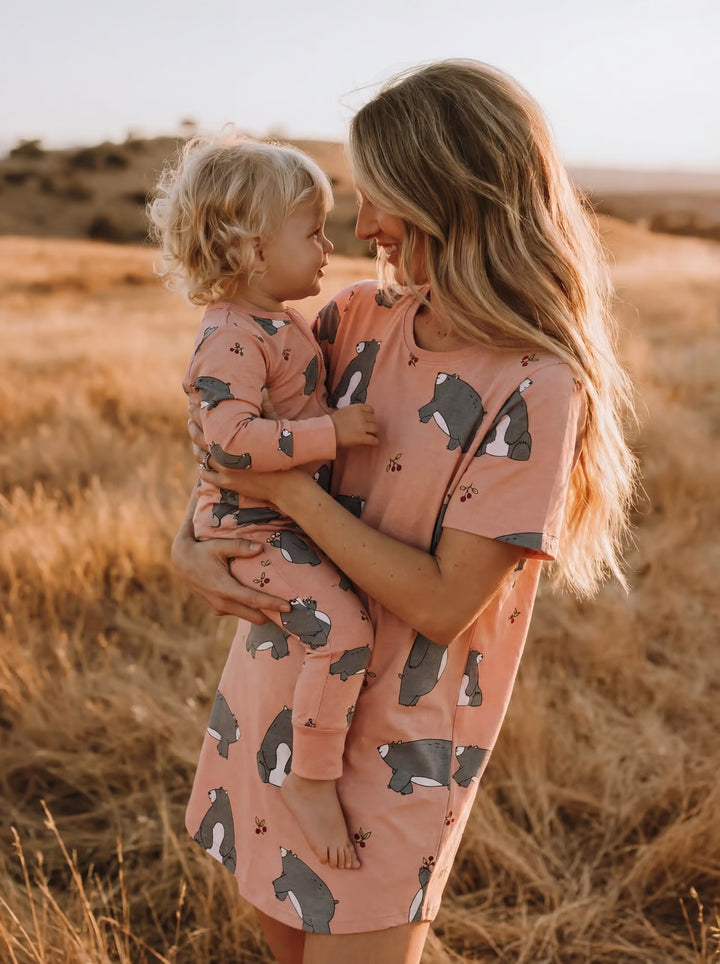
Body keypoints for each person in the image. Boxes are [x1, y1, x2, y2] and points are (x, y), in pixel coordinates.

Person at [172, 60, 637, 964]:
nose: (364, 227)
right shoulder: (351, 320)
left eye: (381, 199)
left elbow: (439, 602)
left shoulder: (537, 386)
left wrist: (293, 492)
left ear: (451, 199)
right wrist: (185, 546)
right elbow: (236, 443)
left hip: (397, 750)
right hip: (275, 697)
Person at [149, 134, 380, 871]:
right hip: (252, 529)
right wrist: (330, 433)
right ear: (253, 251)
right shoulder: (230, 337)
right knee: (344, 632)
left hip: (280, 519)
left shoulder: (279, 322)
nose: (328, 245)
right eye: (312, 231)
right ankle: (309, 779)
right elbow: (229, 444)